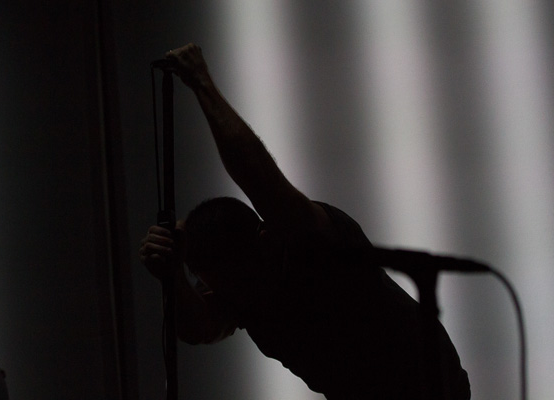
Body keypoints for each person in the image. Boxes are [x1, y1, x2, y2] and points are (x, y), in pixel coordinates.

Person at [139, 43, 471, 400]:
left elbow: (259, 179)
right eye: (221, 289)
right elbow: (199, 328)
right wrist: (173, 275)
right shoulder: (237, 290)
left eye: (239, 283)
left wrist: (201, 82)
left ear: (265, 240)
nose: (236, 298)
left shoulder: (316, 241)